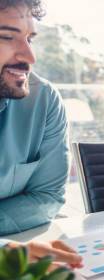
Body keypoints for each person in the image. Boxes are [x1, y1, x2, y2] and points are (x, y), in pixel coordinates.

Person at [0, 0, 70, 235]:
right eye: (7, 37)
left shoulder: (44, 99)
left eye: (29, 39)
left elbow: (47, 197)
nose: (30, 57)